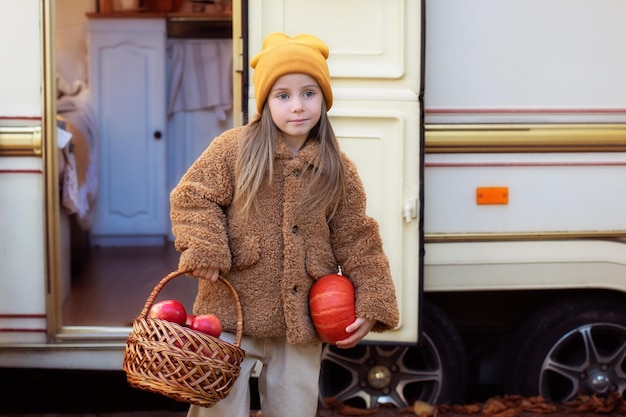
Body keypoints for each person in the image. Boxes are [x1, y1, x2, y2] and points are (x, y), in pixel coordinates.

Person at [169, 32, 400, 417]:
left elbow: (356, 236)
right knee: (217, 407)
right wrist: (205, 246)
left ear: (324, 99)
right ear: (265, 102)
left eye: (309, 93)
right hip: (228, 313)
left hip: (302, 321)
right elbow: (193, 197)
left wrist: (373, 299)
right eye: (283, 95)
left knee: (294, 407)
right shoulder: (233, 149)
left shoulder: (337, 169)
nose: (297, 106)